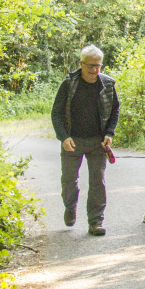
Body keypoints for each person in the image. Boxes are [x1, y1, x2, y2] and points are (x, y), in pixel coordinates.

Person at [51, 44, 120, 236]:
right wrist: (63, 137)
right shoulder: (68, 84)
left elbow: (115, 110)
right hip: (72, 141)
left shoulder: (107, 84)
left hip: (98, 142)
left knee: (98, 181)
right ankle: (70, 206)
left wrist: (109, 133)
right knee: (69, 181)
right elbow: (56, 113)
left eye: (98, 66)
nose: (94, 70)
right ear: (81, 64)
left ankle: (95, 222)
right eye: (90, 66)